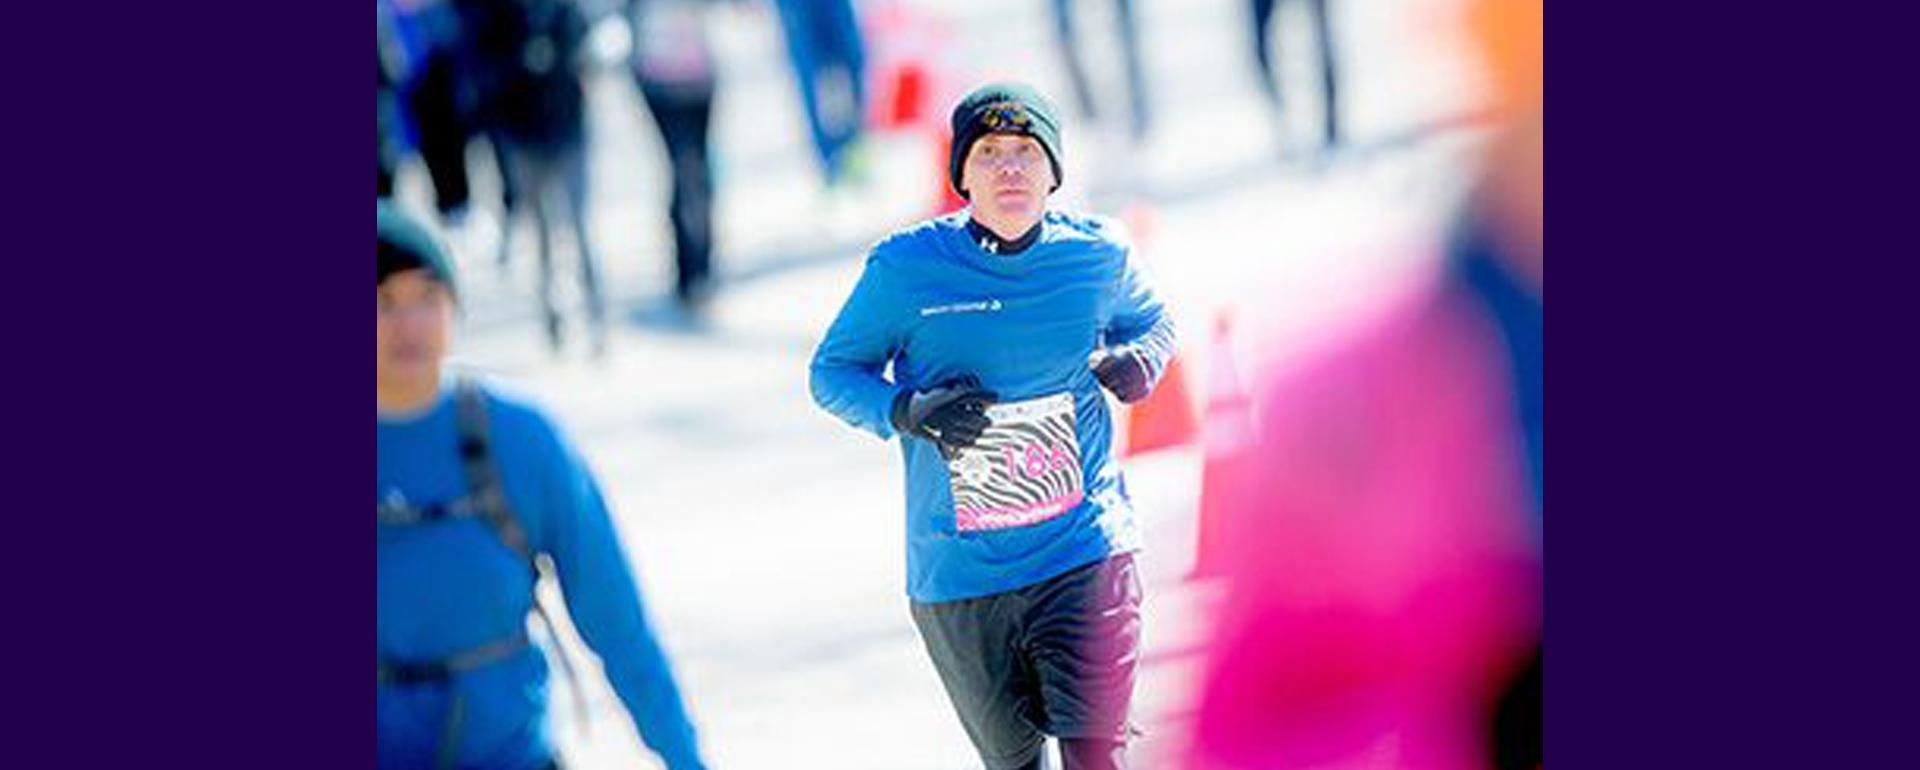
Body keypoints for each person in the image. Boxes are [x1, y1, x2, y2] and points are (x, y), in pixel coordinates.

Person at [809, 83, 1175, 770]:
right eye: (988, 153)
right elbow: (832, 372)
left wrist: (1143, 361)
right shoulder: (906, 269)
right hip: (960, 576)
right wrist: (902, 411)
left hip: (1085, 550)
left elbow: (1154, 321)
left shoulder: (1096, 257)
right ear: (962, 176)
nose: (1009, 168)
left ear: (1053, 172)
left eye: (1025, 152)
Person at [377, 202, 710, 770]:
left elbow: (618, 622)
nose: (410, 325)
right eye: (382, 302)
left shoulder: (519, 439)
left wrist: (684, 758)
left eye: (428, 298)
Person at [629, 0, 721, 313]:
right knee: (683, 170)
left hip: (699, 77)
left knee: (698, 172)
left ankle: (702, 266)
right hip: (659, 80)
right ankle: (689, 271)